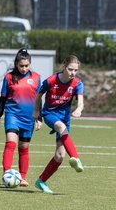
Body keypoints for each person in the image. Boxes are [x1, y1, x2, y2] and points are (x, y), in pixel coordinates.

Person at [33, 55, 84, 194]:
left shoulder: (77, 83)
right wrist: (36, 114)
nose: (73, 73)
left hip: (65, 118)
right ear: (64, 66)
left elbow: (80, 100)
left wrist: (79, 109)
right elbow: (38, 95)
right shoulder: (51, 81)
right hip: (50, 115)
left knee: (60, 155)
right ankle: (76, 158)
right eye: (70, 69)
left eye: (75, 70)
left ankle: (41, 181)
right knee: (61, 127)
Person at [0, 48, 42, 187]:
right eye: (21, 66)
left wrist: (39, 118)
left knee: (24, 147)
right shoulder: (9, 77)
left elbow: (39, 100)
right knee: (11, 143)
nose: (24, 68)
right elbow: (2, 98)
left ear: (30, 64)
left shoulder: (37, 77)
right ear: (16, 64)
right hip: (12, 114)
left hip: (29, 117)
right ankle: (7, 173)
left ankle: (23, 177)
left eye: (27, 66)